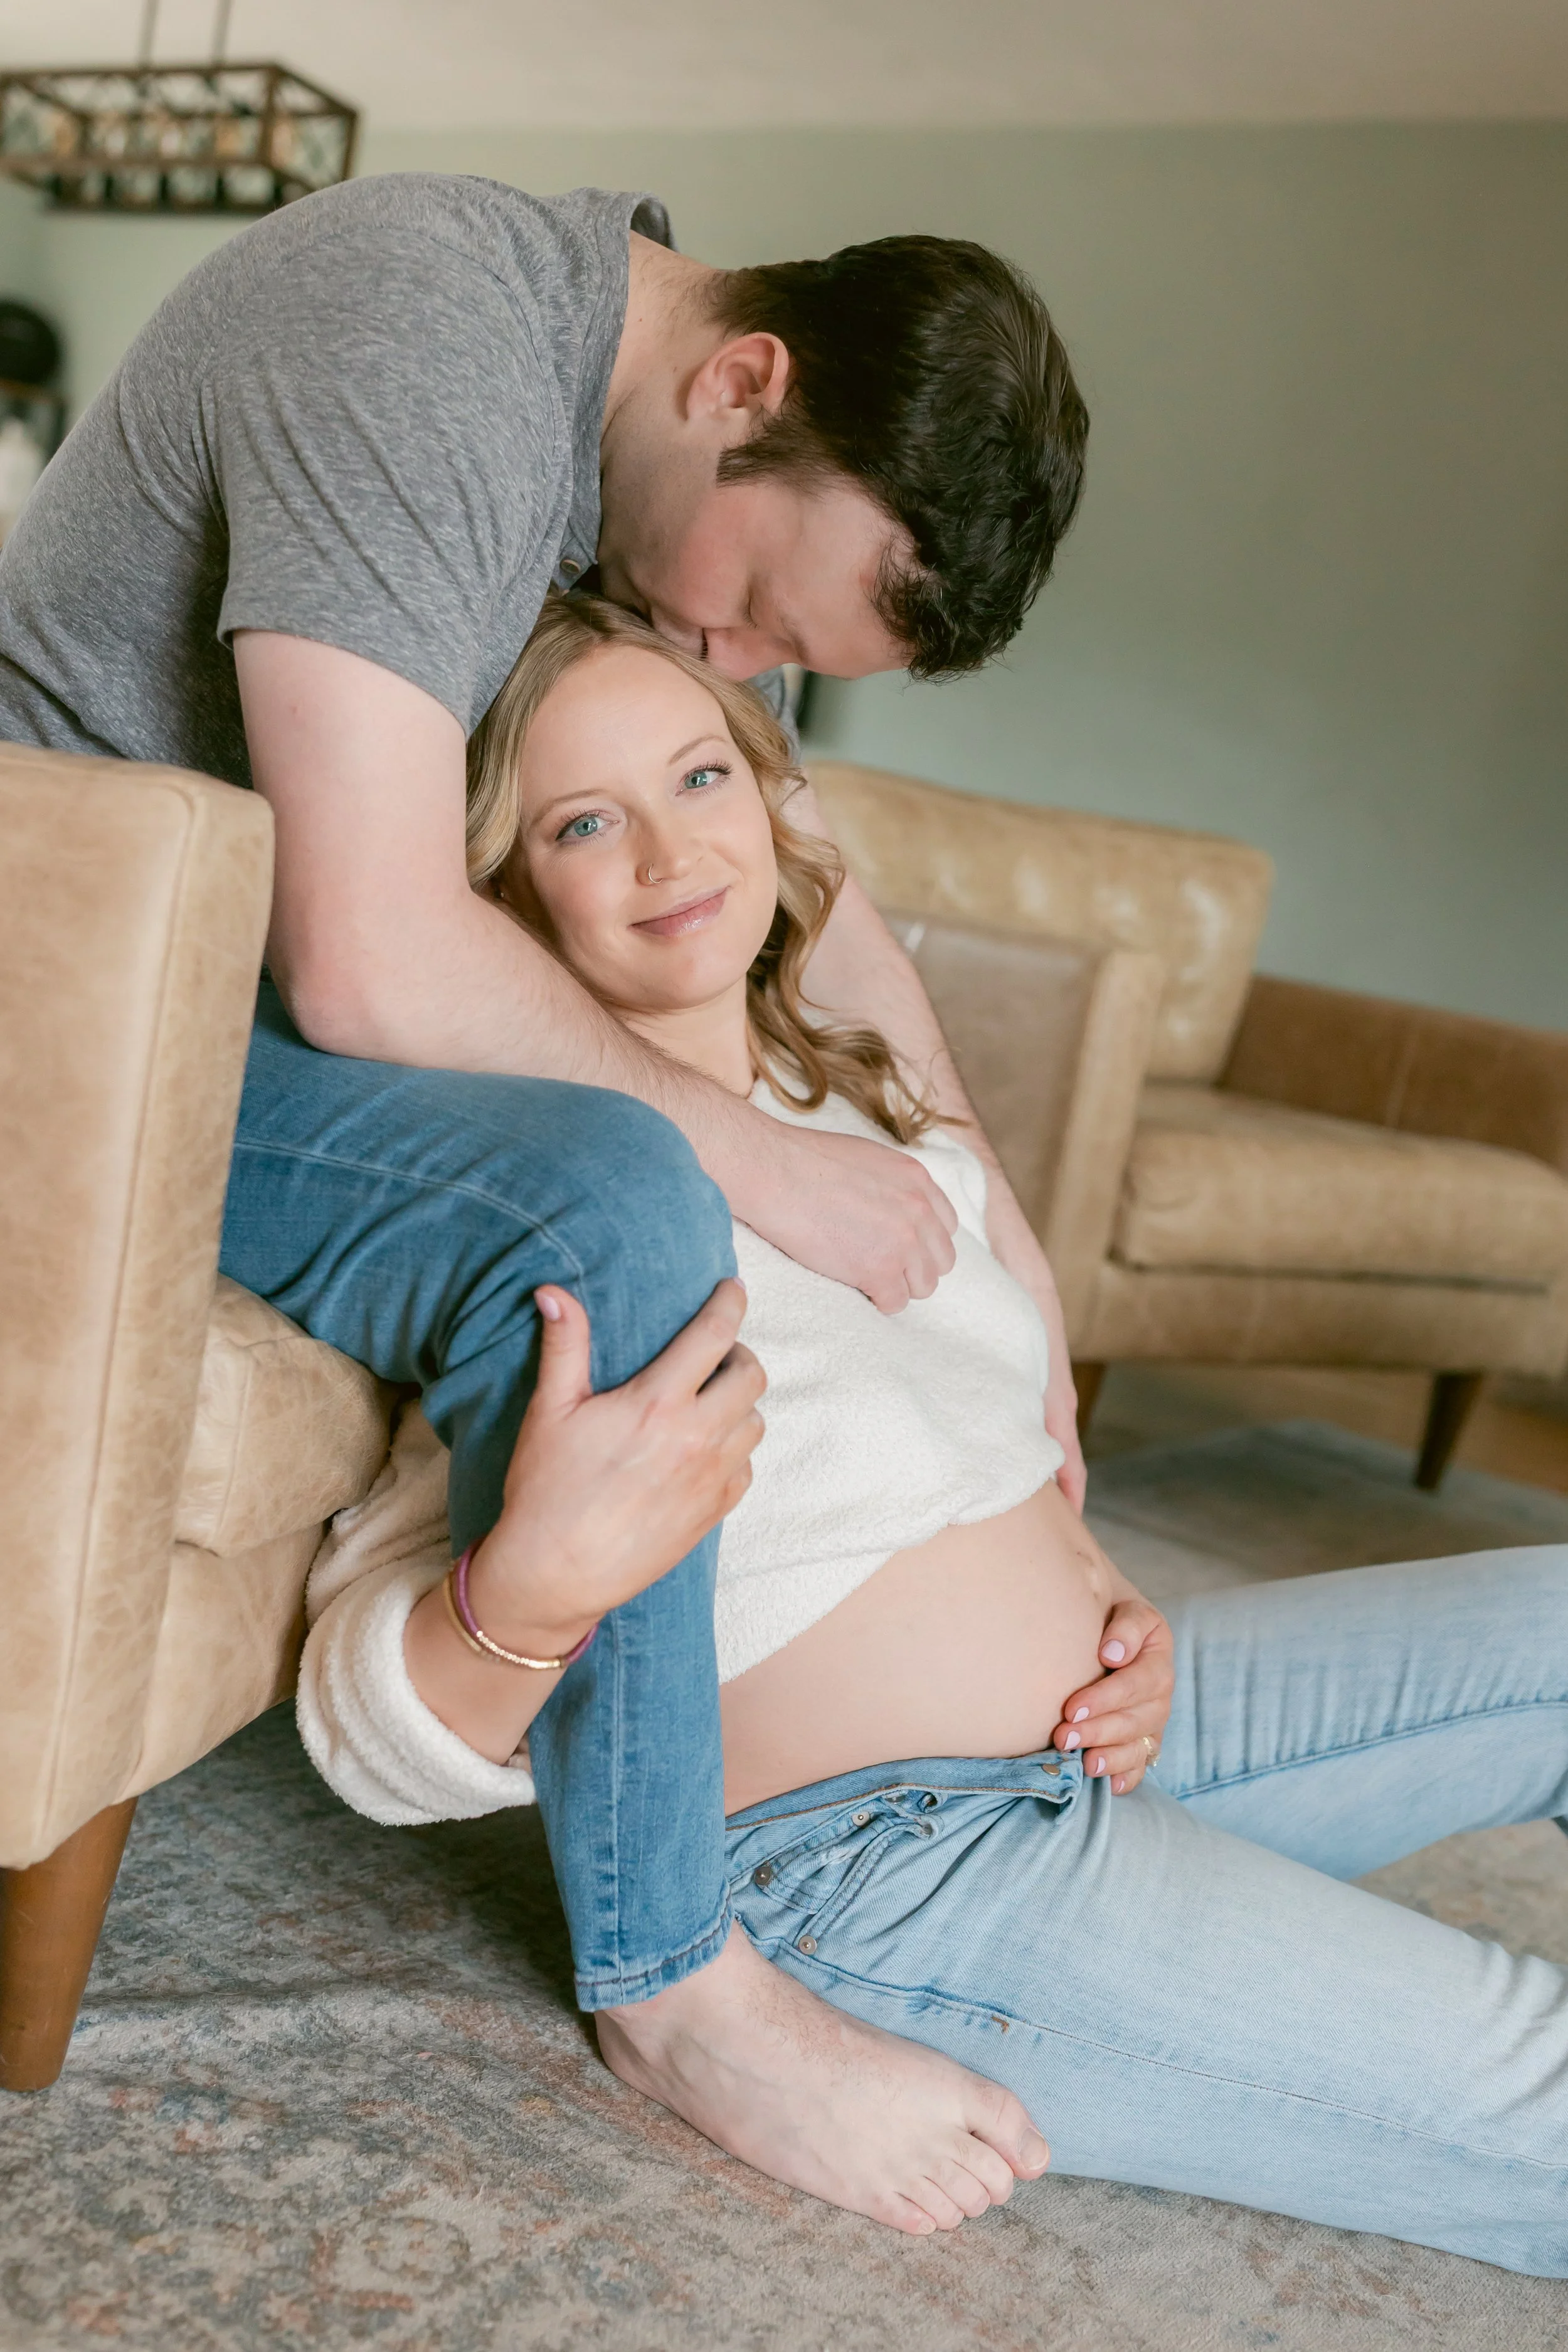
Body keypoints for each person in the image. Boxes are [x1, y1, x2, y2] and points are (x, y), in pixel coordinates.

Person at [0, 176, 1089, 2212]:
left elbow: (809, 868)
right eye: (762, 614)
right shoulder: (422, 333)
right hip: (56, 1014)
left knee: (669, 1138)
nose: (737, 662)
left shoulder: (647, 476)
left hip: (233, 1010)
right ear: (743, 379)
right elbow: (374, 959)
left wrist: (997, 1241)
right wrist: (764, 1158)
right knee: (611, 1195)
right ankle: (676, 1980)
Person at [301, 596, 1568, 2270]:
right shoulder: (556, 1190)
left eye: (700, 777)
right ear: (503, 886)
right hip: (882, 1869)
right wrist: (526, 1591)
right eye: (582, 821)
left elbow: (971, 1443)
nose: (669, 851)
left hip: (1113, 1733)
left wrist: (1103, 1596)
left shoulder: (848, 1097)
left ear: (771, 794)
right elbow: (360, 1722)